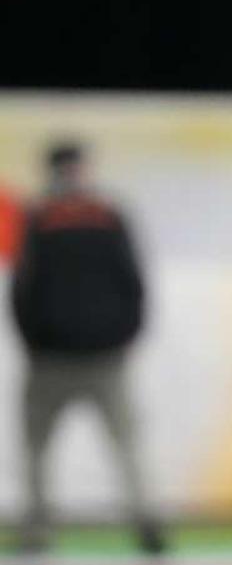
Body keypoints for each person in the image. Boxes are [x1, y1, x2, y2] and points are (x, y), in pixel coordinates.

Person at [10, 140, 164, 554]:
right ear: (82, 168)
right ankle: (146, 520)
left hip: (50, 360)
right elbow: (134, 283)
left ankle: (38, 531)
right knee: (128, 444)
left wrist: (35, 342)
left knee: (37, 450)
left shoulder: (38, 219)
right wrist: (124, 336)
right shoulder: (110, 215)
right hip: (105, 359)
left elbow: (22, 291)